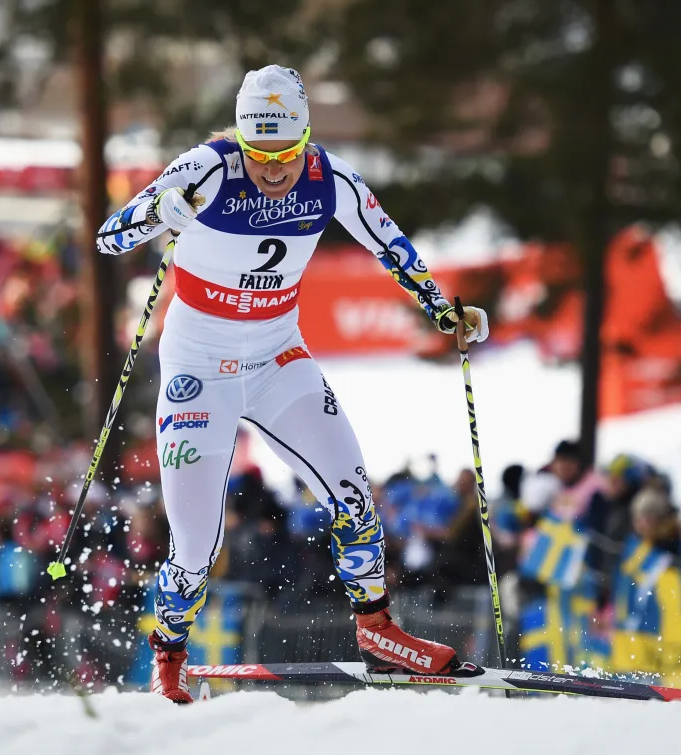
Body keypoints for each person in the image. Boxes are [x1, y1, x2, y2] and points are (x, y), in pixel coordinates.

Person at [96, 65, 489, 702]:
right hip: (199, 367)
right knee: (197, 546)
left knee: (355, 496)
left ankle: (380, 634)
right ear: (241, 141)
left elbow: (389, 243)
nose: (275, 169)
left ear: (305, 137)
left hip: (279, 357)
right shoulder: (206, 168)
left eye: (287, 152)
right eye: (260, 154)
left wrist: (443, 310)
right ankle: (169, 655)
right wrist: (156, 212)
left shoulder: (326, 178)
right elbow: (109, 237)